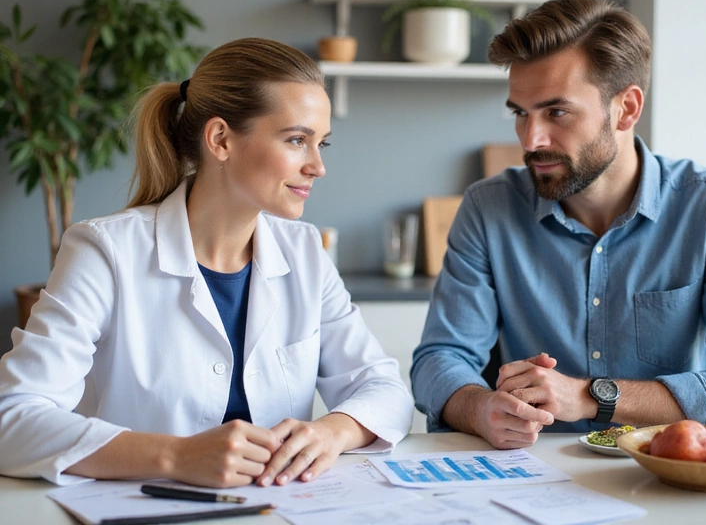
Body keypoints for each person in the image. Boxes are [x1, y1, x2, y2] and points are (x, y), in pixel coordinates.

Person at [0, 37, 413, 486]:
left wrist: (331, 432)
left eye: (322, 144)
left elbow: (386, 390)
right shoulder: (103, 251)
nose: (317, 166)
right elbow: (13, 420)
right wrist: (176, 456)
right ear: (220, 140)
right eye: (297, 140)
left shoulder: (305, 252)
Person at [410, 0, 706, 449]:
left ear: (627, 108)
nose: (531, 138)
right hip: (533, 477)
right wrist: (479, 407)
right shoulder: (488, 208)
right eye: (520, 112)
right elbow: (439, 360)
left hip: (666, 476)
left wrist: (590, 396)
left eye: (556, 112)